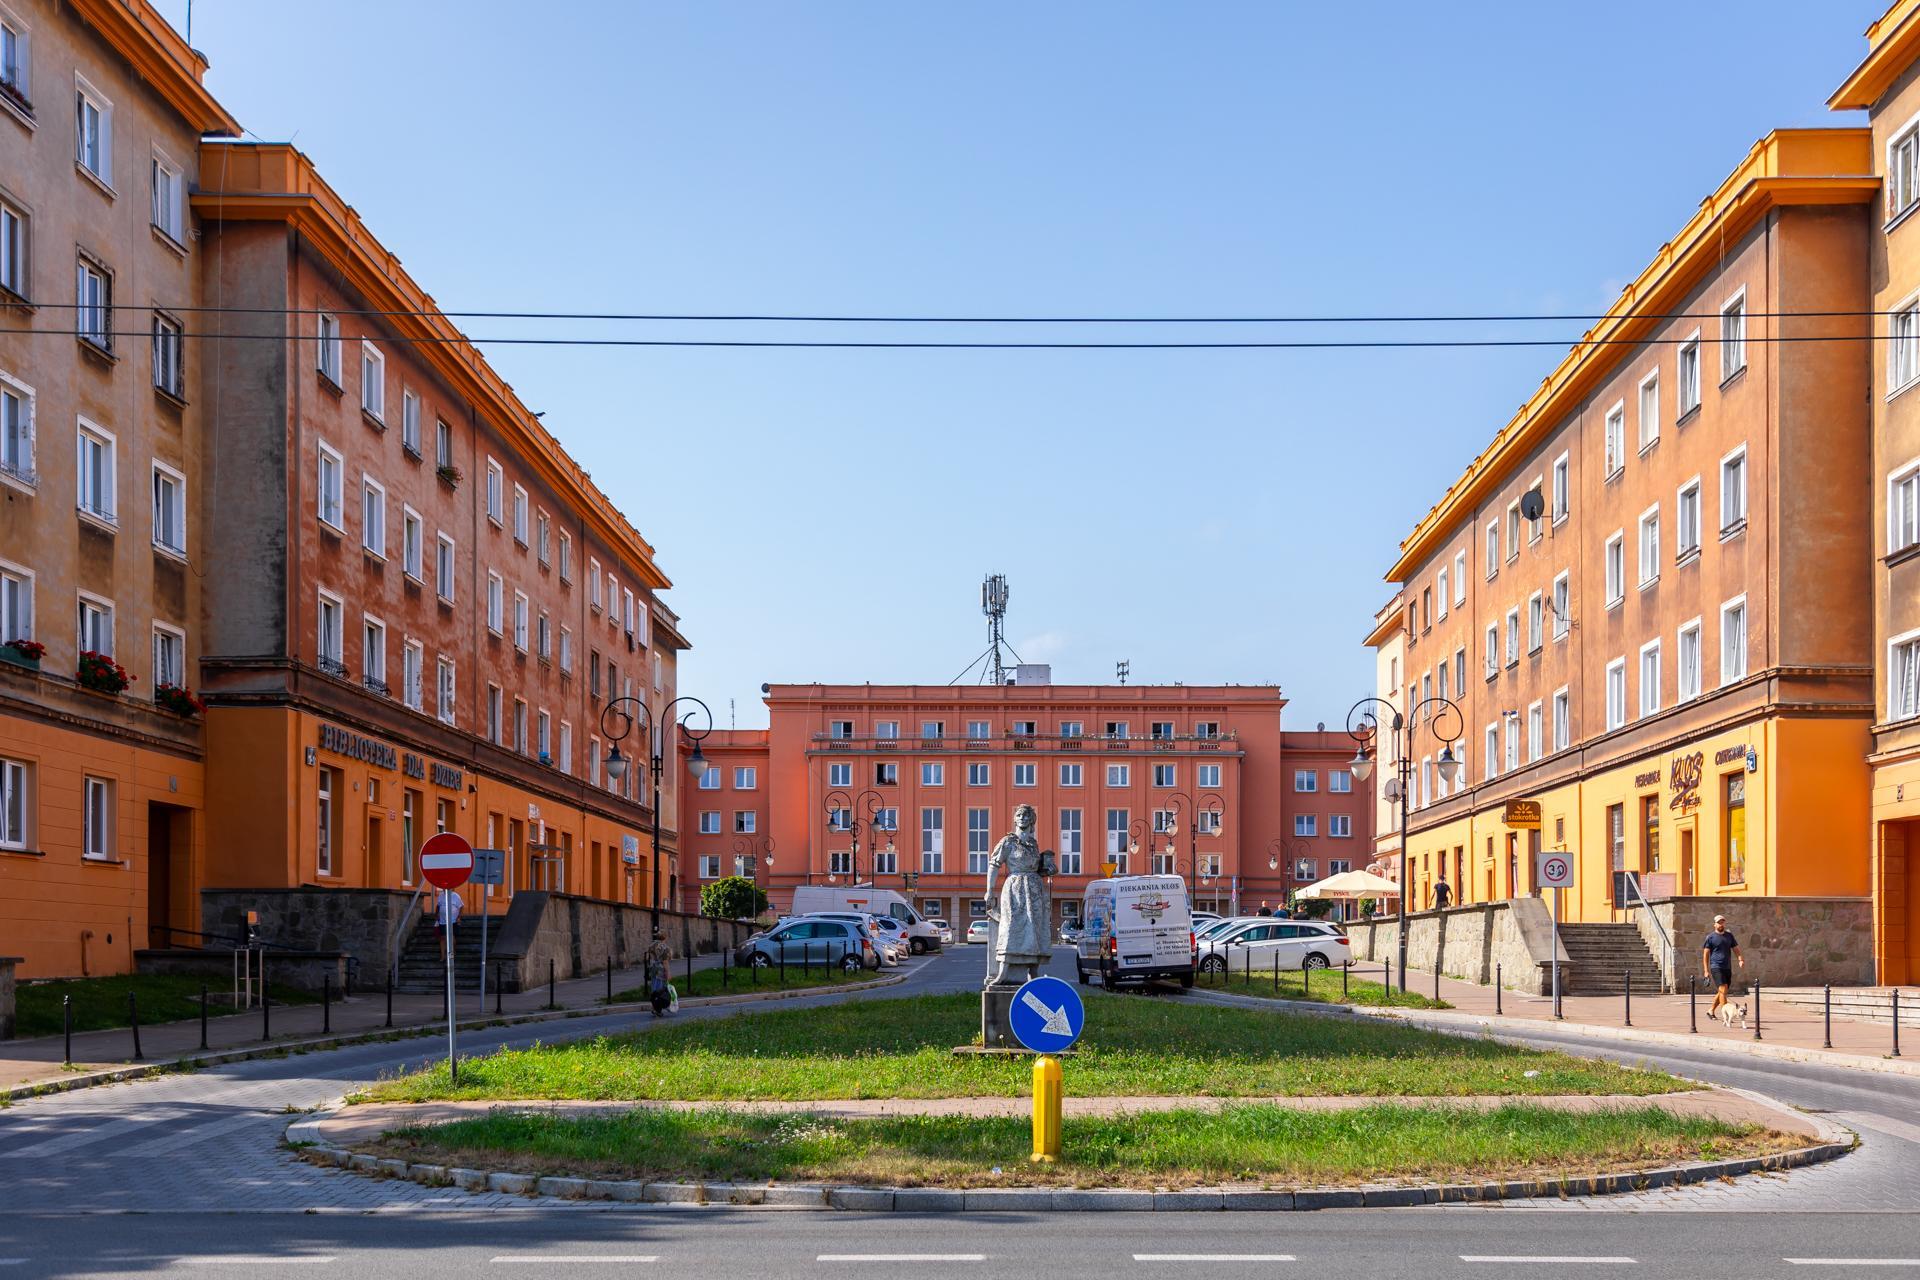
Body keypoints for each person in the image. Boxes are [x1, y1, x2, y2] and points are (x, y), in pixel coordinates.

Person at [1702, 915, 1744, 1020]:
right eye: (1719, 922)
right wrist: (1706, 971)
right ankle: (1725, 1015)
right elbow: (1705, 955)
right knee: (1723, 988)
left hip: (1727, 967)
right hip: (1716, 966)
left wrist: (1740, 959)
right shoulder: (1710, 937)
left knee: (1723, 991)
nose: (1721, 924)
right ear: (1714, 925)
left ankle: (1711, 1010)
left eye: (1722, 922)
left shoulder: (1729, 936)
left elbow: (1736, 949)